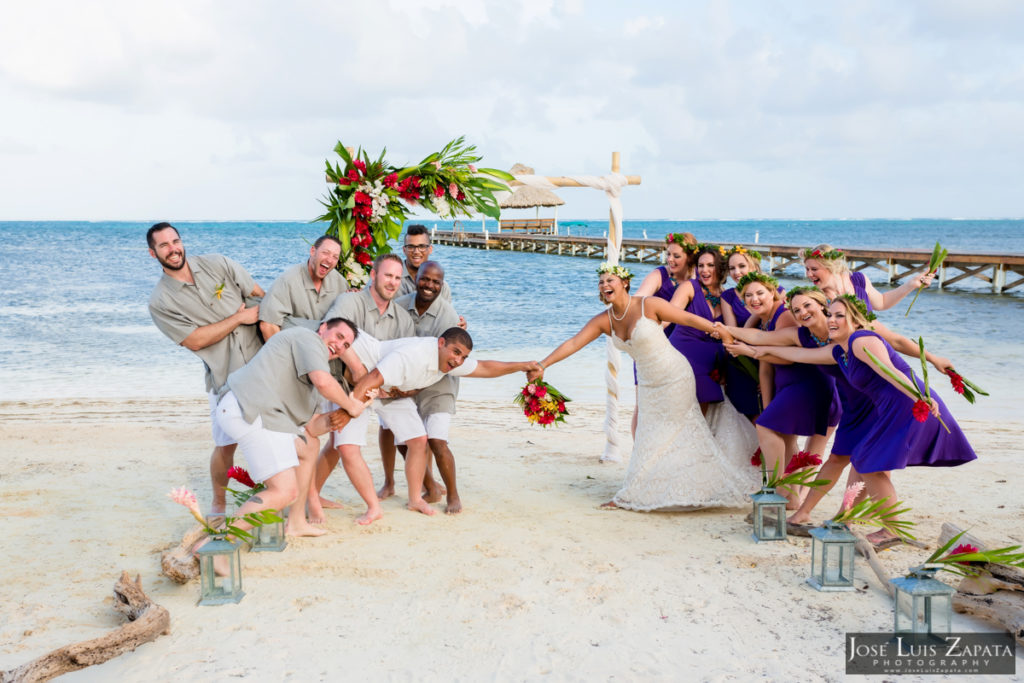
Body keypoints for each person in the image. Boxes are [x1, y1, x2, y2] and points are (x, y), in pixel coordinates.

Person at [734, 295, 976, 547]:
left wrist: (919, 396)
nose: (832, 320)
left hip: (905, 403)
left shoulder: (861, 341)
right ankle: (884, 527)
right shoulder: (839, 351)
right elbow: (798, 354)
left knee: (868, 463)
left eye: (840, 316)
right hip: (889, 407)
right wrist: (755, 351)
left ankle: (890, 529)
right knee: (866, 462)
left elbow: (891, 372)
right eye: (831, 315)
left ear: (855, 320)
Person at [529, 263, 759, 511]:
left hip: (674, 376)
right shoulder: (604, 320)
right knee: (648, 434)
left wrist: (720, 332)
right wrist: (543, 364)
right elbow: (574, 342)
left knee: (675, 432)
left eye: (610, 280)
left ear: (625, 283)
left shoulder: (648, 305)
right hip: (649, 384)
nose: (605, 285)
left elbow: (688, 318)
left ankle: (681, 488)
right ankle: (638, 490)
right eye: (601, 282)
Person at [336, 327, 540, 520]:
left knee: (418, 439)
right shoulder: (414, 355)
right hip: (354, 376)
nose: (459, 360)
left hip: (388, 392)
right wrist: (348, 411)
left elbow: (484, 367)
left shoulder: (449, 360)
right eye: (456, 352)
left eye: (464, 357)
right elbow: (372, 377)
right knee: (338, 444)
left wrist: (522, 366)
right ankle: (320, 499)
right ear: (441, 343)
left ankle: (415, 500)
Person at [214, 318, 373, 538]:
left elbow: (313, 428)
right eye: (338, 336)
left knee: (308, 445)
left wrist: (349, 412)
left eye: (346, 345)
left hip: (265, 416)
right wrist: (350, 405)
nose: (339, 346)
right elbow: (324, 382)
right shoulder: (306, 337)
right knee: (284, 492)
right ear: (323, 328)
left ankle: (296, 522)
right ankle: (219, 539)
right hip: (249, 409)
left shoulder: (312, 378)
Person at [147, 222, 264, 515]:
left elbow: (258, 295)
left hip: (262, 362)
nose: (173, 249)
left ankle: (296, 494)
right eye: (164, 245)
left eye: (175, 241)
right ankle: (218, 504)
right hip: (224, 375)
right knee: (225, 444)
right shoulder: (160, 301)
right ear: (153, 253)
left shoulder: (217, 263)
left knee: (282, 431)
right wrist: (237, 318)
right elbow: (195, 340)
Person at [312, 253, 415, 522]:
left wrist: (391, 389)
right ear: (373, 275)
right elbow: (332, 337)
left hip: (380, 390)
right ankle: (373, 506)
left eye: (397, 277)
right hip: (345, 385)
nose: (392, 282)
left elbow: (405, 359)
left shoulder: (402, 319)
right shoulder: (350, 301)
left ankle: (312, 493)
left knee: (417, 436)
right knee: (345, 445)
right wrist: (358, 371)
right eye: (387, 275)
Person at [729, 274, 840, 509]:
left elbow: (787, 356)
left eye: (807, 306)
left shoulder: (837, 330)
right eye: (797, 309)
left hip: (817, 388)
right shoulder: (794, 330)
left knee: (813, 450)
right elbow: (764, 347)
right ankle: (792, 498)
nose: (801, 313)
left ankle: (783, 493)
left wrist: (751, 350)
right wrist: (730, 332)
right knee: (795, 445)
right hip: (802, 387)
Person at [393, 261, 465, 513]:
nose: (429, 285)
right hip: (407, 381)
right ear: (416, 278)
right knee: (404, 439)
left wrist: (414, 389)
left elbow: (448, 362)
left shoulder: (448, 315)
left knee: (437, 440)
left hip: (439, 382)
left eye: (436, 282)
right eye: (425, 279)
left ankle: (453, 495)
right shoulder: (399, 306)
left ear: (442, 285)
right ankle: (431, 486)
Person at [629, 232, 696, 435]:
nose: (670, 259)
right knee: (644, 404)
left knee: (677, 406)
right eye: (668, 254)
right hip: (653, 346)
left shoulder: (698, 278)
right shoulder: (659, 275)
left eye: (676, 256)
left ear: (690, 257)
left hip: (684, 350)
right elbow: (637, 300)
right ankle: (639, 449)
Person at [666, 244, 734, 413]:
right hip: (684, 357)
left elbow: (731, 333)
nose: (704, 270)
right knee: (683, 413)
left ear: (720, 268)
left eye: (710, 265)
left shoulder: (726, 295)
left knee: (702, 417)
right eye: (701, 265)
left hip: (712, 365)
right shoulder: (689, 287)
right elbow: (668, 315)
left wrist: (725, 370)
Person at [719, 245, 776, 419]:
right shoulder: (728, 296)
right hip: (742, 358)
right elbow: (732, 333)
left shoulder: (773, 290)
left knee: (771, 413)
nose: (737, 272)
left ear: (754, 266)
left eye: (742, 266)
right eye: (732, 268)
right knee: (746, 414)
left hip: (771, 355)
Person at [258, 235, 348, 340]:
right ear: (313, 251)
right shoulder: (288, 281)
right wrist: (284, 350)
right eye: (325, 253)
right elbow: (267, 324)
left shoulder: (340, 282)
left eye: (335, 257)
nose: (329, 260)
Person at [803, 243, 934, 312]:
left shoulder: (858, 280)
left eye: (814, 269)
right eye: (807, 269)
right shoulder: (815, 298)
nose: (809, 274)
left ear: (831, 267)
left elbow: (882, 303)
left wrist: (911, 284)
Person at [397, 224, 452, 301]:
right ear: (404, 250)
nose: (416, 252)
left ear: (430, 249)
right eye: (411, 247)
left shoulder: (442, 287)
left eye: (421, 246)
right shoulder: (393, 280)